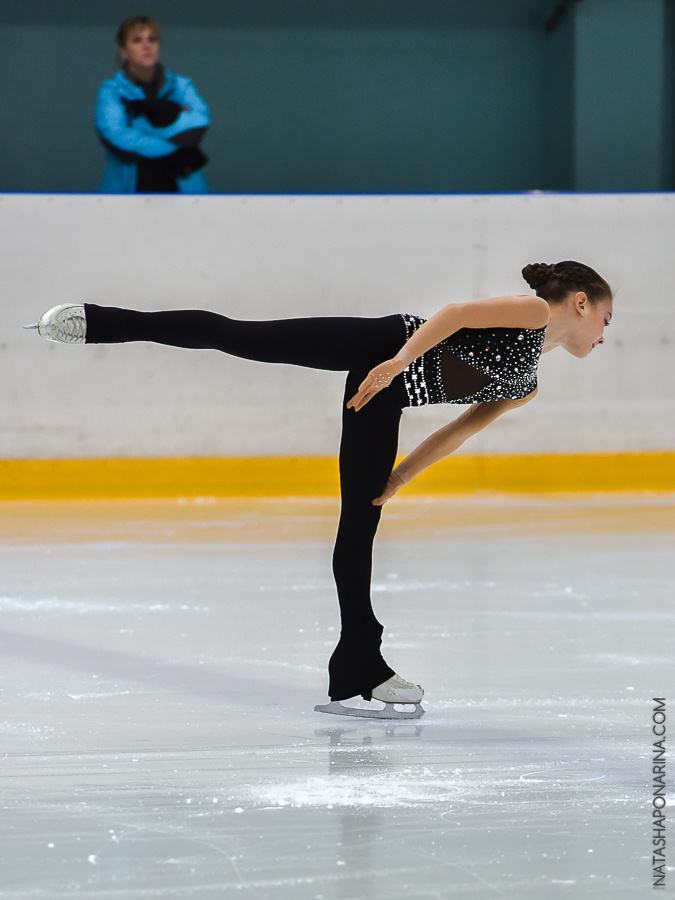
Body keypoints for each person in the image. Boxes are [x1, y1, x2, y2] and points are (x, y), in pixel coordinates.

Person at [25, 261, 613, 719]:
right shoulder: (534, 311)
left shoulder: (527, 382)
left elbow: (462, 427)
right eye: (605, 321)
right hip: (378, 347)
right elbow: (456, 312)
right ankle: (105, 321)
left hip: (385, 397)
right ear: (581, 303)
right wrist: (399, 359)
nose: (604, 335)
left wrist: (400, 476)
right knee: (240, 337)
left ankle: (359, 662)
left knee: (359, 523)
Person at [95, 16, 210, 193]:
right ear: (124, 50)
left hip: (185, 190)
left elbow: (198, 123)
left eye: (152, 39)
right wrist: (175, 140)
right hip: (128, 192)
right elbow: (116, 135)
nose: (146, 45)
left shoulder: (181, 85)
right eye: (137, 40)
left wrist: (139, 124)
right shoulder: (111, 91)